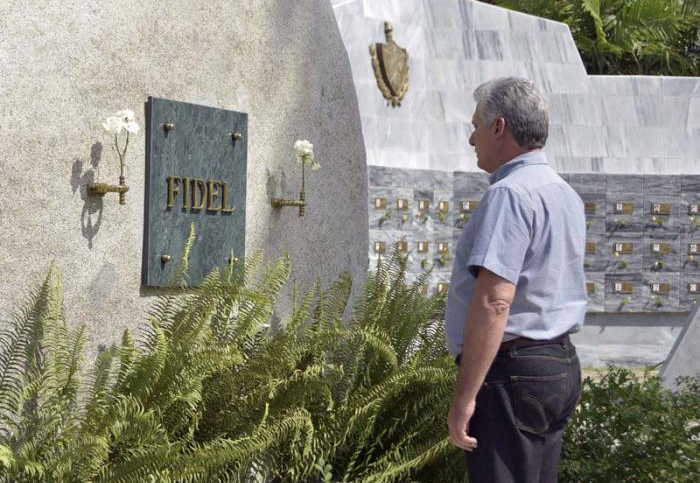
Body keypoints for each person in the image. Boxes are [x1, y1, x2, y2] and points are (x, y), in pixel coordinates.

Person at [445, 77, 586, 483]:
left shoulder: (509, 194)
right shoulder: (563, 193)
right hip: (557, 364)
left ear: (499, 127)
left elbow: (495, 302)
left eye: (475, 126)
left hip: (513, 372)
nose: (472, 139)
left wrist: (465, 396)